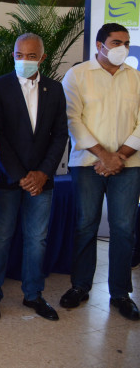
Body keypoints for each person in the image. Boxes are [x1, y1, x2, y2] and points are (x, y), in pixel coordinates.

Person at [0, 33, 68, 322]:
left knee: (37, 239)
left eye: (31, 56)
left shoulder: (55, 89)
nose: (25, 60)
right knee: (0, 237)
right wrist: (20, 175)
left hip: (42, 181)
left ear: (42, 58)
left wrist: (43, 173)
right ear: (13, 56)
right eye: (19, 55)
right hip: (9, 178)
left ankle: (33, 295)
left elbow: (60, 135)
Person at [60, 23, 140, 321]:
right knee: (85, 225)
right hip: (87, 164)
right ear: (99, 45)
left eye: (126, 43)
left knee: (123, 229)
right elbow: (72, 119)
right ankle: (80, 286)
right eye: (116, 42)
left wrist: (119, 157)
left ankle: (120, 293)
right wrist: (104, 156)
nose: (123, 48)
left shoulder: (135, 77)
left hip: (128, 165)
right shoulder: (78, 75)